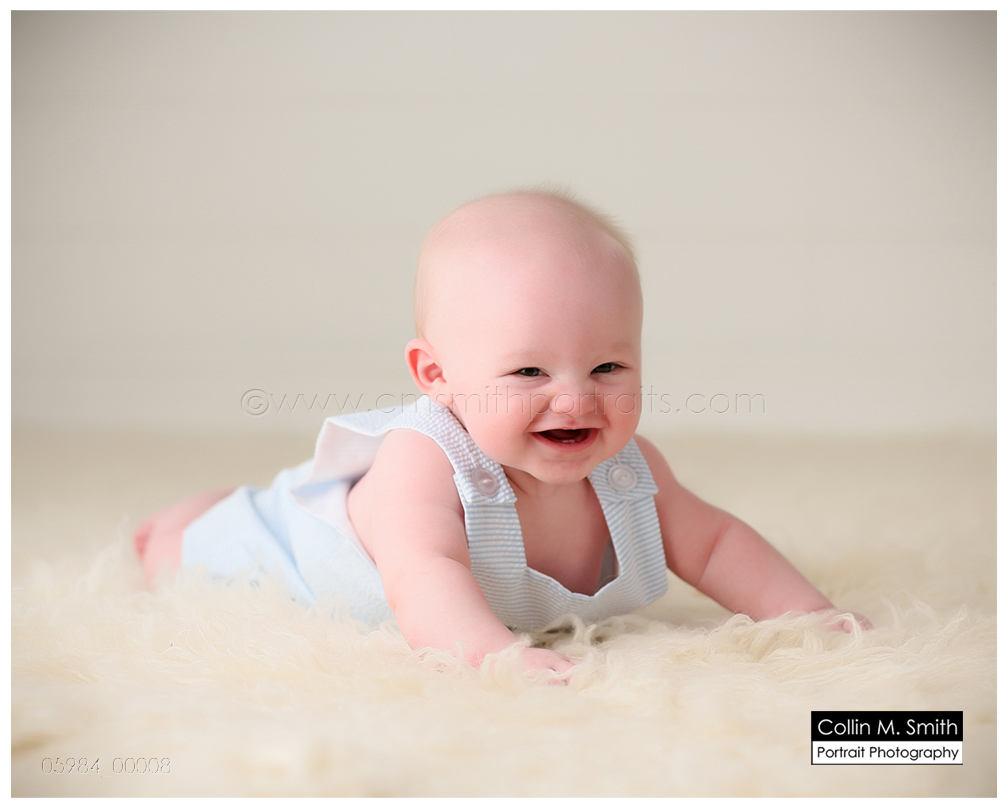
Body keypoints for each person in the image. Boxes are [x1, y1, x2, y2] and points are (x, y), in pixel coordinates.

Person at [135, 191, 866, 677]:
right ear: (436, 375)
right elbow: (425, 573)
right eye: (528, 372)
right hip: (290, 549)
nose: (575, 399)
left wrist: (806, 615)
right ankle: (178, 523)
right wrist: (492, 658)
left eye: (608, 366)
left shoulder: (629, 470)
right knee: (194, 551)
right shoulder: (424, 460)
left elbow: (714, 543)